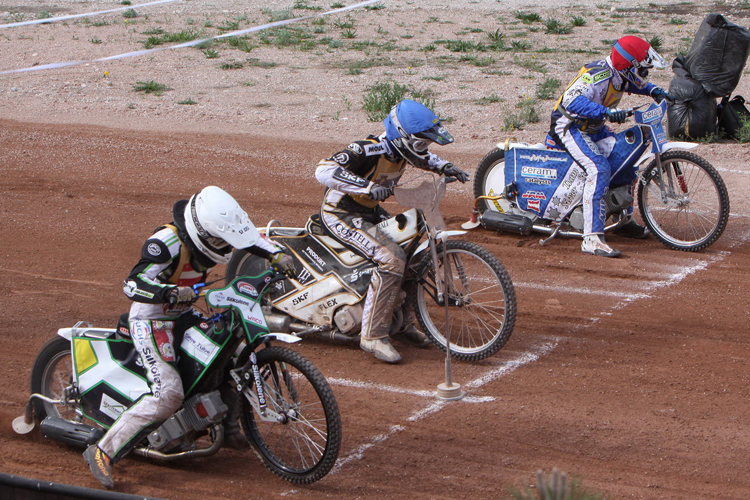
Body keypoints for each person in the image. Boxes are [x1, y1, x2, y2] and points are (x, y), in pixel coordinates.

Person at [83, 186, 295, 490]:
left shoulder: (215, 230)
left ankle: (229, 426)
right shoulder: (165, 243)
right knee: (168, 394)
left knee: (227, 354)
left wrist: (277, 255)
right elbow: (132, 284)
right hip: (151, 318)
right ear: (202, 231)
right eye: (220, 241)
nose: (225, 246)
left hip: (184, 313)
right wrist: (166, 291)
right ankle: (103, 450)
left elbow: (251, 238)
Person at [315, 99, 469, 364]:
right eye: (420, 143)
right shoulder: (366, 149)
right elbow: (324, 169)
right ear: (402, 136)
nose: (423, 149)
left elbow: (422, 157)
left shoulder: (402, 150)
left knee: (412, 253)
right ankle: (372, 335)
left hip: (370, 212)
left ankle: (402, 325)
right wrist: (365, 187)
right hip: (342, 213)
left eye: (426, 144)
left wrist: (444, 166)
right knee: (391, 258)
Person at [547, 35, 675, 257]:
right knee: (598, 169)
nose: (644, 74)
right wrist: (606, 112)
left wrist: (654, 90)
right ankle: (591, 238)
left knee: (626, 160)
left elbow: (637, 83)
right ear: (628, 65)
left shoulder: (621, 74)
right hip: (570, 127)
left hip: (593, 127)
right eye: (643, 70)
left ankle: (622, 219)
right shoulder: (597, 75)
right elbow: (571, 100)